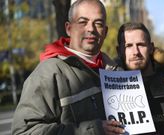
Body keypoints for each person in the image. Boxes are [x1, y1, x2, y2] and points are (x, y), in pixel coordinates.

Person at [12, 0, 125, 134]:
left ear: (105, 32)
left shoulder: (117, 71)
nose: (91, 29)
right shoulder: (47, 74)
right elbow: (24, 132)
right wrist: (92, 131)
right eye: (83, 22)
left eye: (98, 23)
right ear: (68, 28)